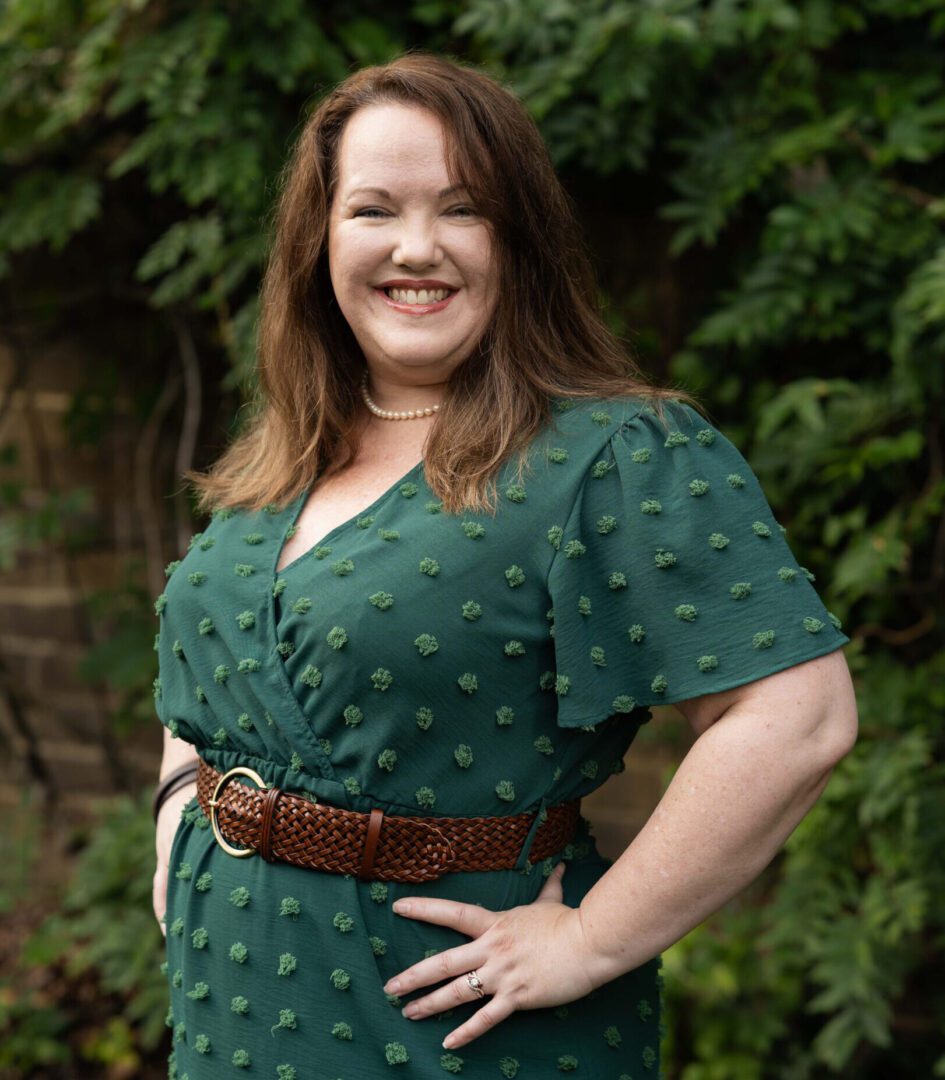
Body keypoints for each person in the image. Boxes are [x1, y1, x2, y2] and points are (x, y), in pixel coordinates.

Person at [151, 51, 858, 1080]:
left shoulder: (619, 453)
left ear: (519, 238)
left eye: (463, 209)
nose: (417, 247)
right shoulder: (288, 451)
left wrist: (594, 939)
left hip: (457, 1020)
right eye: (374, 210)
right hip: (233, 1000)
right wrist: (181, 813)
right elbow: (206, 676)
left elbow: (799, 719)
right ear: (319, 241)